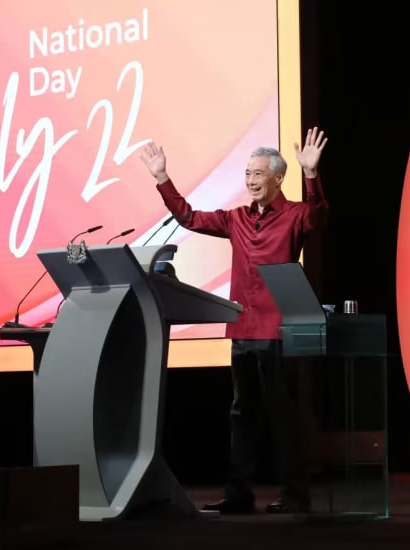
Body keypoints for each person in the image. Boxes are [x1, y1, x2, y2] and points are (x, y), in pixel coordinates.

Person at [139, 126, 328, 514]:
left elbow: (319, 217)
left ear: (278, 178)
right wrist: (162, 178)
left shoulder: (294, 215)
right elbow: (190, 218)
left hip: (279, 331)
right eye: (247, 174)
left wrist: (311, 174)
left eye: (258, 174)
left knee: (284, 414)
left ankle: (296, 495)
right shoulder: (236, 218)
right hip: (243, 328)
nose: (251, 181)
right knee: (242, 414)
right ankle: (240, 494)